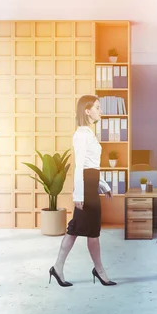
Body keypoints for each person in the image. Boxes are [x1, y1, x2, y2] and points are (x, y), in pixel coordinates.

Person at [49, 95, 117, 287]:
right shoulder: (81, 134)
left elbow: (93, 165)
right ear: (87, 111)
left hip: (91, 185)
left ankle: (58, 268)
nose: (100, 111)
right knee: (90, 232)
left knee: (77, 230)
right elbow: (80, 167)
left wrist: (104, 185)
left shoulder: (89, 133)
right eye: (97, 107)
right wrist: (78, 195)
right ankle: (99, 271)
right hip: (85, 189)